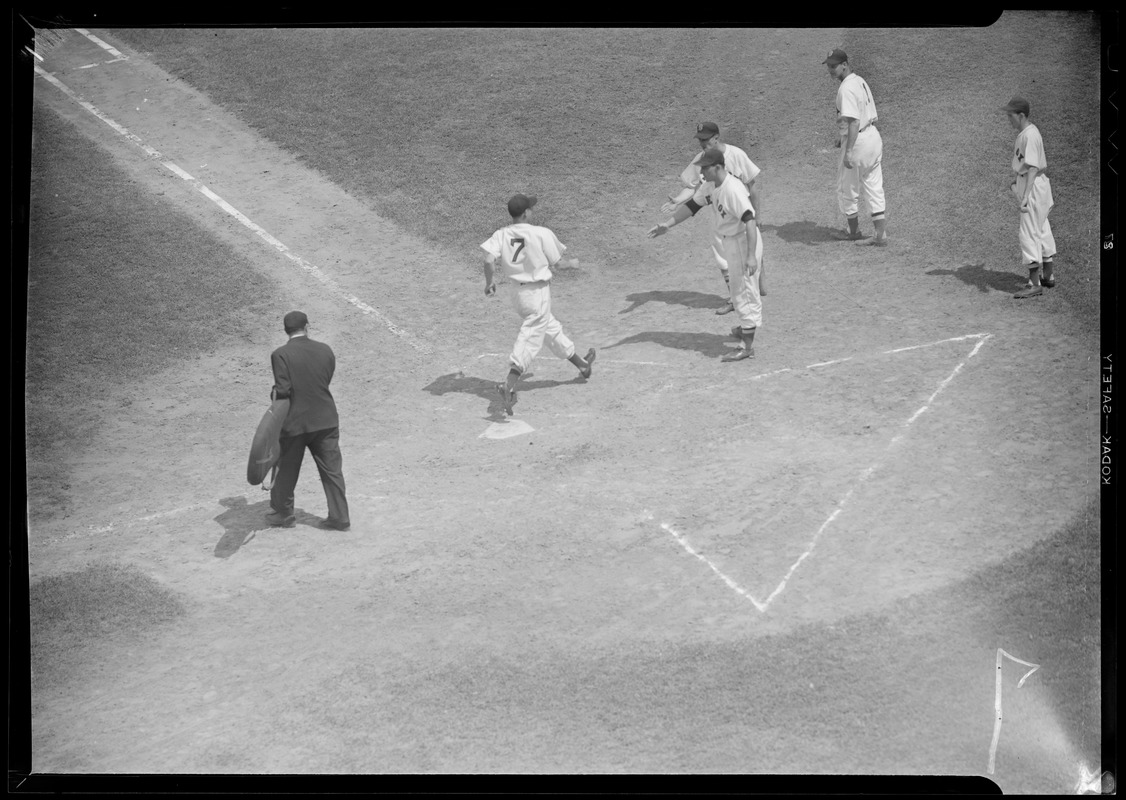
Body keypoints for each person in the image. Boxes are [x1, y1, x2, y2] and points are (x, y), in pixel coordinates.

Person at [481, 194, 596, 415]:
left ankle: (582, 364)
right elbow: (559, 264)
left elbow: (488, 260)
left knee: (548, 329)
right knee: (532, 334)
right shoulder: (541, 232)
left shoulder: (501, 234)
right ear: (525, 213)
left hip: (517, 294)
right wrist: (573, 264)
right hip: (537, 293)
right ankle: (509, 385)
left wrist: (489, 283)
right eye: (530, 209)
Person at [648, 148, 762, 362]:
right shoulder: (711, 186)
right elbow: (692, 206)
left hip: (743, 241)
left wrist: (751, 256)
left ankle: (746, 346)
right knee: (738, 289)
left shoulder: (733, 189)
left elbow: (750, 219)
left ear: (718, 167)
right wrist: (667, 225)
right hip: (732, 241)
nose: (701, 173)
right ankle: (747, 327)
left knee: (744, 291)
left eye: (705, 169)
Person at [660, 121, 766, 308]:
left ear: (716, 138)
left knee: (751, 269)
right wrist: (676, 206)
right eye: (699, 139)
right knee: (726, 261)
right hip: (721, 217)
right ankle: (737, 300)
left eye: (705, 139)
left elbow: (753, 185)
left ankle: (747, 304)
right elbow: (693, 195)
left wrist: (757, 216)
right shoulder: (703, 164)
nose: (701, 143)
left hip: (742, 217)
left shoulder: (736, 157)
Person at [264, 311, 350, 531]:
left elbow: (283, 391)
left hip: (295, 424)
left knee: (286, 470)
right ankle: (340, 517)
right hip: (326, 420)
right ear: (307, 326)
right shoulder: (325, 350)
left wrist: (273, 393)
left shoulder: (280, 355)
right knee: (332, 471)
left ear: (286, 331)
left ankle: (283, 515)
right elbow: (325, 378)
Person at [824, 48, 887, 246]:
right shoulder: (859, 80)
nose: (831, 70)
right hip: (873, 138)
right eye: (828, 66)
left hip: (858, 142)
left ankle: (853, 232)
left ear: (845, 64)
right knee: (874, 186)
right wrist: (841, 139)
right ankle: (880, 235)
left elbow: (853, 122)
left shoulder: (845, 89)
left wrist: (848, 150)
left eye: (834, 66)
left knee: (847, 187)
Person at [1004, 96, 1057, 299]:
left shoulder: (1030, 135)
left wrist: (1024, 195)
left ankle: (1034, 284)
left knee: (1028, 233)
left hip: (1033, 186)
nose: (1009, 119)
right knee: (1041, 228)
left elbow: (1033, 167)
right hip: (1035, 184)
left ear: (1021, 115)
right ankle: (1048, 276)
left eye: (1011, 115)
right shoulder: (1027, 133)